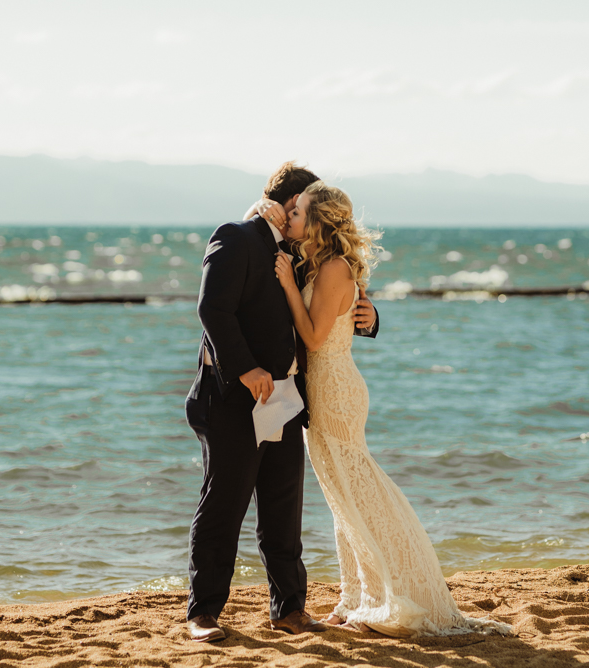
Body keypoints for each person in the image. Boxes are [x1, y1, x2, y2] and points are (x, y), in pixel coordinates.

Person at [273, 182, 512, 638]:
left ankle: (400, 589)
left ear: (319, 221)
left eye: (299, 213)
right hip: (321, 390)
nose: (292, 220)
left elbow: (315, 338)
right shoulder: (319, 264)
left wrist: (286, 285)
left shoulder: (333, 269)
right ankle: (358, 594)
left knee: (361, 490)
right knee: (343, 496)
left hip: (336, 391)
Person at [183, 163, 378, 643]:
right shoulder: (236, 236)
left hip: (288, 398)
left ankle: (289, 609)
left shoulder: (299, 250)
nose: (305, 219)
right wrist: (245, 367)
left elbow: (330, 296)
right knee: (224, 506)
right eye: (303, 208)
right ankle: (202, 613)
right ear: (290, 206)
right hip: (233, 398)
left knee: (283, 510)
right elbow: (213, 309)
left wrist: (371, 317)